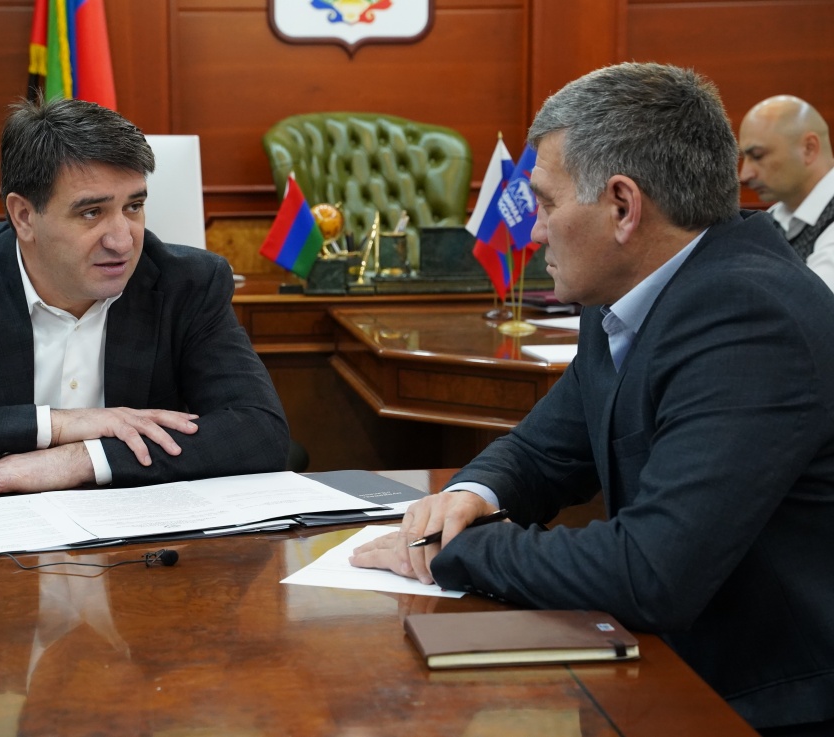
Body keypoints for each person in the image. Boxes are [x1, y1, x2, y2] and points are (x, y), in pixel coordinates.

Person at [351, 63, 834, 734]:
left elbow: (649, 571)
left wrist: (455, 547)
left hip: (762, 704)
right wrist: (472, 495)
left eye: (546, 204)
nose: (534, 232)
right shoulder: (627, 293)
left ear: (622, 206)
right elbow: (543, 450)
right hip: (669, 672)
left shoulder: (750, 317)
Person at [0, 98, 290, 497]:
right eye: (91, 212)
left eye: (133, 207)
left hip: (139, 545)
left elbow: (260, 431)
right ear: (24, 216)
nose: (122, 240)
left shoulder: (188, 282)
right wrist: (57, 426)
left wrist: (80, 460)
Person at [739, 95, 834, 290]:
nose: (745, 174)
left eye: (757, 156)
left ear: (809, 149)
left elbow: (813, 304)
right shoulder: (772, 217)